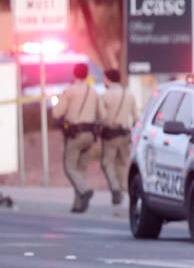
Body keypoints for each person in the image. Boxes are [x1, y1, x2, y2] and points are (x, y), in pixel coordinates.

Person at [51, 62, 98, 213]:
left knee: (69, 167)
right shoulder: (93, 91)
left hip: (75, 134)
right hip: (91, 134)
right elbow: (102, 112)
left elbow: (57, 113)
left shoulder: (69, 91)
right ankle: (78, 205)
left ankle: (84, 191)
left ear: (75, 73)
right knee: (81, 168)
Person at [97, 69, 139, 206]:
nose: (103, 81)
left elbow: (102, 116)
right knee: (121, 163)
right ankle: (120, 191)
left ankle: (115, 188)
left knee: (107, 162)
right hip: (125, 134)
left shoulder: (104, 96)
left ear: (108, 79)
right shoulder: (129, 95)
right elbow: (136, 117)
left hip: (110, 134)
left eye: (104, 78)